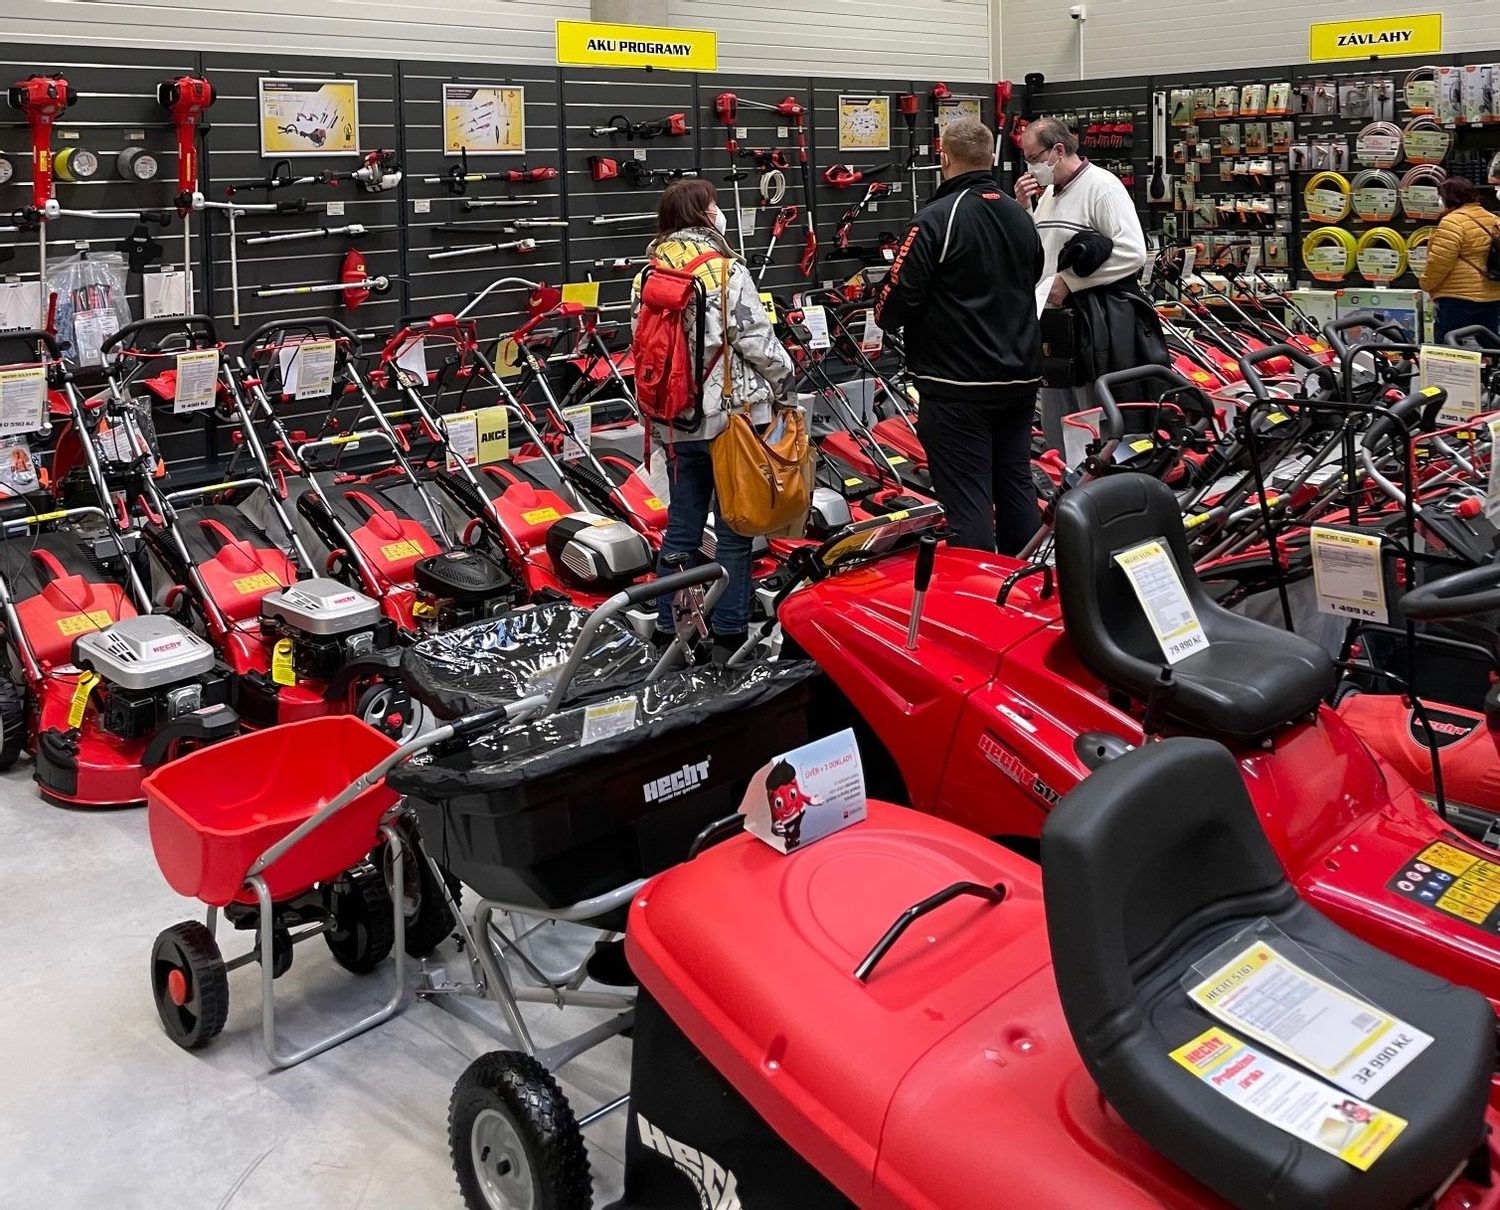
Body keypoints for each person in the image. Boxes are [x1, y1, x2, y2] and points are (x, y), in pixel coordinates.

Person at [632, 178, 794, 661]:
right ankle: (729, 634)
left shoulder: (647, 274)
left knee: (681, 529)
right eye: (714, 205)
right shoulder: (726, 270)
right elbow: (757, 342)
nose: (719, 211)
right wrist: (785, 382)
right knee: (734, 531)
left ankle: (668, 629)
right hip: (731, 423)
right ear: (703, 215)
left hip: (673, 421)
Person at [873, 117, 1044, 555]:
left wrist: (889, 315)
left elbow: (894, 302)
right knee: (1015, 484)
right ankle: (1025, 584)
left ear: (944, 158)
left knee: (967, 499)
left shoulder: (935, 219)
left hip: (956, 386)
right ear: (992, 157)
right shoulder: (1020, 216)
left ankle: (978, 590)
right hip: (1020, 379)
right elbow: (1033, 276)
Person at [1016, 116, 1156, 452]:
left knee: (1093, 421)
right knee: (1058, 424)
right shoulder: (1049, 195)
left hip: (1093, 326)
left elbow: (1133, 252)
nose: (1031, 167)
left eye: (1034, 158)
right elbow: (1040, 251)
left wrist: (1071, 282)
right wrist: (1023, 210)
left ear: (1058, 151)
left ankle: (1103, 478)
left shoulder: (1102, 187)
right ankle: (1066, 476)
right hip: (1054, 326)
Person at [1419, 177, 1500, 341]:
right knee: (1491, 344)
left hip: (1458, 297)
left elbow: (1440, 262)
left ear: (1449, 198)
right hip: (1492, 294)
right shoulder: (1493, 220)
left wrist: (1426, 283)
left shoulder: (1452, 222)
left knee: (1449, 344)